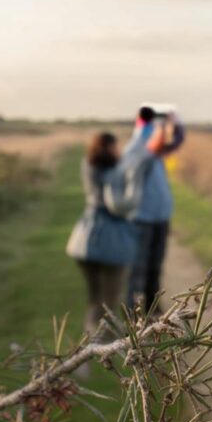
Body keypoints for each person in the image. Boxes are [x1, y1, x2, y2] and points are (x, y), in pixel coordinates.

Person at [66, 132, 156, 341]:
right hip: (112, 243)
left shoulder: (88, 167)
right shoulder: (113, 172)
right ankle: (103, 345)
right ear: (109, 148)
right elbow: (121, 205)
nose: (120, 151)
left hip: (84, 240)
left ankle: (89, 342)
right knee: (109, 300)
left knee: (95, 299)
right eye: (116, 147)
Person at [124, 106, 185, 313]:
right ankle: (132, 315)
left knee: (155, 267)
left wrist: (175, 122)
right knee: (137, 269)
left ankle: (153, 308)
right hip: (141, 218)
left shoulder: (156, 151)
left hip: (160, 218)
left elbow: (176, 140)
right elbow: (154, 146)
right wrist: (161, 126)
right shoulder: (135, 149)